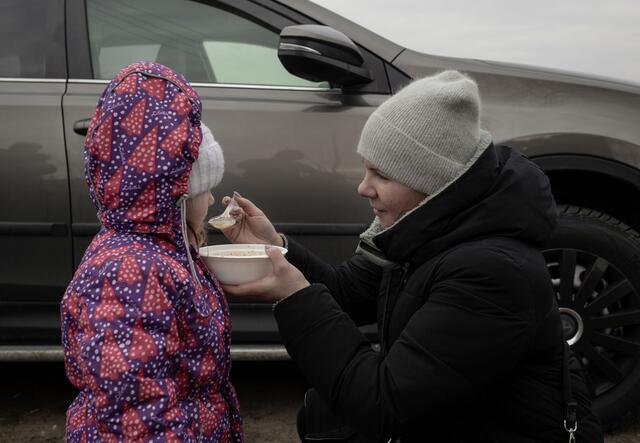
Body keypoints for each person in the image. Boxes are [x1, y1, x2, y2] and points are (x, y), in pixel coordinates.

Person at [221, 71, 603, 442]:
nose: (362, 187)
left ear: (434, 182)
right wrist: (276, 246)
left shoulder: (493, 274)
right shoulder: (425, 232)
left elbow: (381, 405)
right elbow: (345, 293)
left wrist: (295, 296)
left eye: (380, 175)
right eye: (365, 168)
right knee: (320, 413)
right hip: (452, 422)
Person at [60, 61, 243, 442]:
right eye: (203, 189)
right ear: (174, 193)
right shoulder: (127, 273)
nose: (210, 199)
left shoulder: (164, 254)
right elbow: (136, 410)